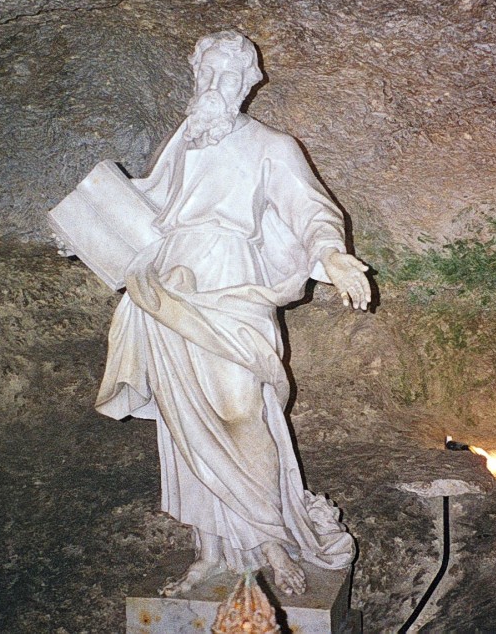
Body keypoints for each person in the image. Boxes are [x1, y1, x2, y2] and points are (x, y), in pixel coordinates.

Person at [95, 30, 371, 596]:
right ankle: (214, 551)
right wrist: (87, 233)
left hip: (232, 282)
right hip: (168, 286)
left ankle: (271, 536)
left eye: (228, 74)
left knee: (242, 411)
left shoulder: (273, 146)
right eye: (207, 73)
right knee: (184, 422)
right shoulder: (185, 141)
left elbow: (310, 210)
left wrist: (334, 256)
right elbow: (147, 202)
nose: (215, 85)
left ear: (249, 83)